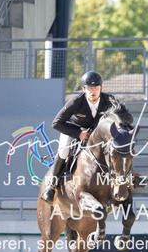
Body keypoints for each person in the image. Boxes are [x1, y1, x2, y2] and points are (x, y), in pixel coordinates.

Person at [41, 71, 142, 204]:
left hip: (95, 134)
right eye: (89, 88)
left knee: (120, 149)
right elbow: (56, 123)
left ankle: (132, 178)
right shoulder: (76, 102)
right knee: (64, 151)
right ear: (84, 89)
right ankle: (51, 186)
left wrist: (117, 116)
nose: (92, 91)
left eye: (96, 87)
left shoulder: (109, 100)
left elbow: (129, 118)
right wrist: (79, 133)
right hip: (73, 130)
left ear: (101, 88)